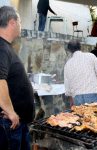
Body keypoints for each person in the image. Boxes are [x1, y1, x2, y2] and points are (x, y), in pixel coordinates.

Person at [0, 6, 35, 150]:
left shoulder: (6, 47)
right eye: (19, 21)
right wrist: (10, 112)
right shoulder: (1, 48)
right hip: (11, 123)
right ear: (12, 22)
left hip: (17, 123)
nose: (21, 25)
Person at [64, 40, 97, 106]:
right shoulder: (91, 56)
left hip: (77, 97)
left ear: (69, 50)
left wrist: (71, 99)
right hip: (92, 93)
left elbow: (67, 85)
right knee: (94, 116)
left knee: (80, 116)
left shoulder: (68, 63)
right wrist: (91, 78)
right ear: (80, 47)